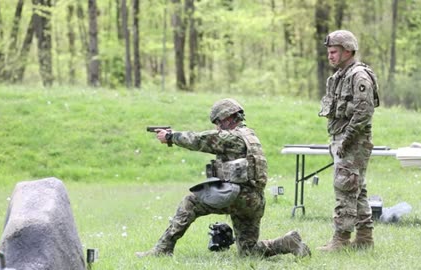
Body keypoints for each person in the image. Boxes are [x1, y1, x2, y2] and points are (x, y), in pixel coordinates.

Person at [135, 98, 311, 257]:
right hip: (254, 201)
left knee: (191, 202)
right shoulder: (250, 135)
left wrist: (171, 137)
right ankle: (288, 242)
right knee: (249, 252)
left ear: (228, 119)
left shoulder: (232, 138)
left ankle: (163, 249)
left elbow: (199, 140)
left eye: (218, 123)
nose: (217, 127)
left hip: (239, 197)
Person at [317, 30, 380, 252]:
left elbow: (364, 111)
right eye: (329, 52)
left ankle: (341, 239)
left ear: (347, 51)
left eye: (334, 52)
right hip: (342, 138)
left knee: (344, 187)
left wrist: (346, 140)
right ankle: (364, 237)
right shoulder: (339, 77)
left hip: (353, 140)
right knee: (357, 188)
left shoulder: (358, 76)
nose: (330, 56)